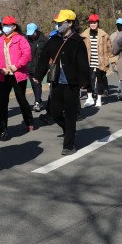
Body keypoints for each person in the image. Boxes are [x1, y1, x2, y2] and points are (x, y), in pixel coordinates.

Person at [33, 9, 89, 155]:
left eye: (61, 23)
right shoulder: (54, 40)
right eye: (57, 23)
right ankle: (67, 129)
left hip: (72, 84)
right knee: (55, 112)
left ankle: (69, 144)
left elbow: (83, 62)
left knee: (70, 114)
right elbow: (44, 59)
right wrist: (38, 75)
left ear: (70, 23)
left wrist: (84, 81)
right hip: (57, 82)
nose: (58, 25)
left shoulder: (77, 41)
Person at [0, 16, 35, 140]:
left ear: (14, 26)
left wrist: (17, 65)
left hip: (18, 74)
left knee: (21, 99)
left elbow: (27, 54)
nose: (5, 27)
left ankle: (29, 121)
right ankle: (2, 127)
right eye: (4, 25)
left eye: (8, 25)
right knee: (2, 102)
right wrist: (0, 68)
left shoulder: (21, 39)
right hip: (4, 75)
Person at [80, 14, 111, 108]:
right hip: (88, 61)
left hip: (100, 60)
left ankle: (99, 99)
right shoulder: (84, 35)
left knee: (100, 80)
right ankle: (90, 98)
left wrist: (110, 60)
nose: (93, 24)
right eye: (91, 23)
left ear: (98, 23)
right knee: (88, 79)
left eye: (94, 22)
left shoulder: (104, 35)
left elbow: (109, 48)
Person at [26, 23, 48, 112]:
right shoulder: (26, 40)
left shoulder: (44, 40)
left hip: (40, 66)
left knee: (37, 83)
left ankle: (37, 102)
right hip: (29, 66)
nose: (31, 35)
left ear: (36, 31)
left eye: (32, 33)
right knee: (33, 85)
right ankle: (39, 100)